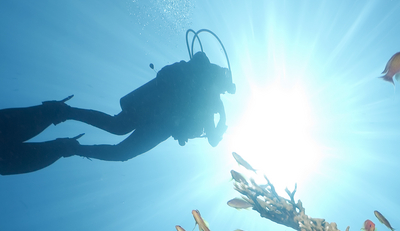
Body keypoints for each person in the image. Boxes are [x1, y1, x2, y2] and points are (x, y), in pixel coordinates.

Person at [0, 49, 235, 175]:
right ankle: (73, 144)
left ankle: (65, 113)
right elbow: (213, 139)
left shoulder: (205, 91)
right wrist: (221, 126)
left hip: (154, 108)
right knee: (121, 150)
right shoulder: (212, 101)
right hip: (162, 122)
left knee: (116, 127)